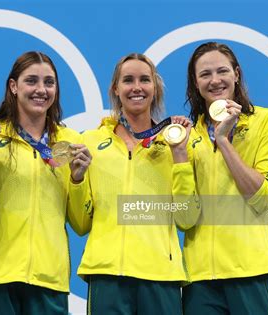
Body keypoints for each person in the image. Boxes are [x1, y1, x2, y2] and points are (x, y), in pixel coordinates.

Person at [0, 51, 92, 315]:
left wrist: (78, 179)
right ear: (14, 86)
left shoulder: (70, 143)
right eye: (31, 81)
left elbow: (81, 224)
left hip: (50, 281)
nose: (41, 90)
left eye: (49, 82)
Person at [77, 53, 199, 314]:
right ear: (115, 89)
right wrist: (76, 180)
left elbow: (187, 219)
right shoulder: (90, 142)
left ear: (155, 89)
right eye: (128, 80)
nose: (136, 87)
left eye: (145, 80)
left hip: (160, 276)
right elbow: (80, 222)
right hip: (106, 275)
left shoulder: (175, 142)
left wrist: (179, 154)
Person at [182, 41, 268, 315]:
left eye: (222, 71)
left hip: (255, 271)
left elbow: (262, 196)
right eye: (205, 74)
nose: (215, 80)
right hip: (200, 279)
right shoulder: (187, 137)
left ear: (237, 74)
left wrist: (223, 140)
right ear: (195, 83)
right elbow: (184, 214)